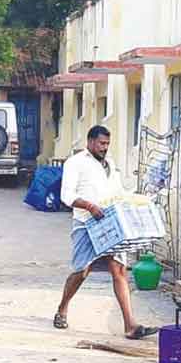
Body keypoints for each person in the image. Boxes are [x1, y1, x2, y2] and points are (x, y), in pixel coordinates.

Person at [53, 125, 157, 340]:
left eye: (107, 144)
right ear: (90, 142)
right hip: (86, 224)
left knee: (119, 270)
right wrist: (90, 206)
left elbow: (118, 192)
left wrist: (137, 199)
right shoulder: (76, 163)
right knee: (81, 271)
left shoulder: (110, 164)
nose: (105, 148)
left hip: (112, 225)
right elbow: (66, 195)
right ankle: (62, 308)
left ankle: (130, 325)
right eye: (101, 143)